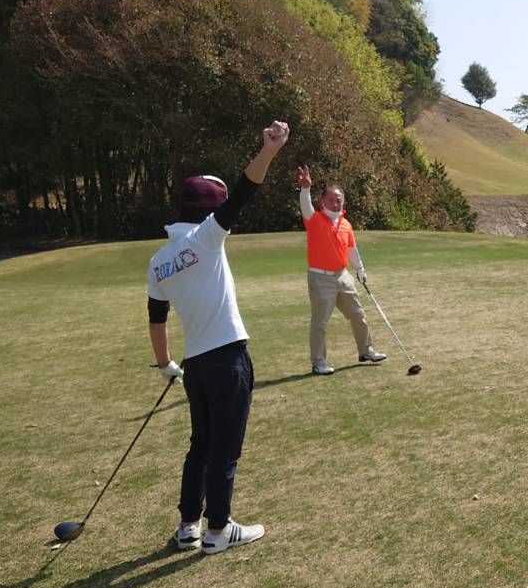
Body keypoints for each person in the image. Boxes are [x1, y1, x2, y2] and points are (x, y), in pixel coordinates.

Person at [147, 121, 290, 553]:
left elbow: (157, 319)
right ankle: (218, 531)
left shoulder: (158, 260)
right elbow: (246, 189)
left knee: (201, 447)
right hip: (228, 359)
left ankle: (188, 526)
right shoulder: (207, 236)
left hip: (194, 366)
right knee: (225, 450)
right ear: (209, 210)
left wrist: (165, 365)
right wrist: (269, 149)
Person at [296, 167, 386, 375]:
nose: (335, 204)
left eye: (339, 201)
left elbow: (351, 248)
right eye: (331, 200)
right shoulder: (314, 219)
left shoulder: (345, 224)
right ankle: (319, 362)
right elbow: (305, 206)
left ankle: (366, 351)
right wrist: (305, 189)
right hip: (320, 278)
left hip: (343, 276)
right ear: (322, 202)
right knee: (320, 323)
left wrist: (360, 268)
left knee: (358, 314)